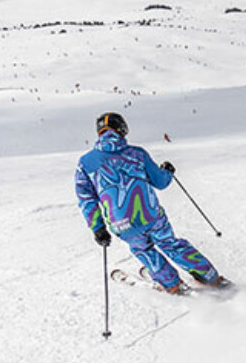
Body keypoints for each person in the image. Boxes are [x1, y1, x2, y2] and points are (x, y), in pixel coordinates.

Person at [75, 112, 229, 293]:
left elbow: (86, 198)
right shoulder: (137, 154)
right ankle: (211, 277)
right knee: (170, 244)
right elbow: (160, 182)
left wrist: (98, 228)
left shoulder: (85, 163)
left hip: (121, 223)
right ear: (122, 129)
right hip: (151, 214)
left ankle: (172, 284)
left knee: (144, 250)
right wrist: (167, 172)